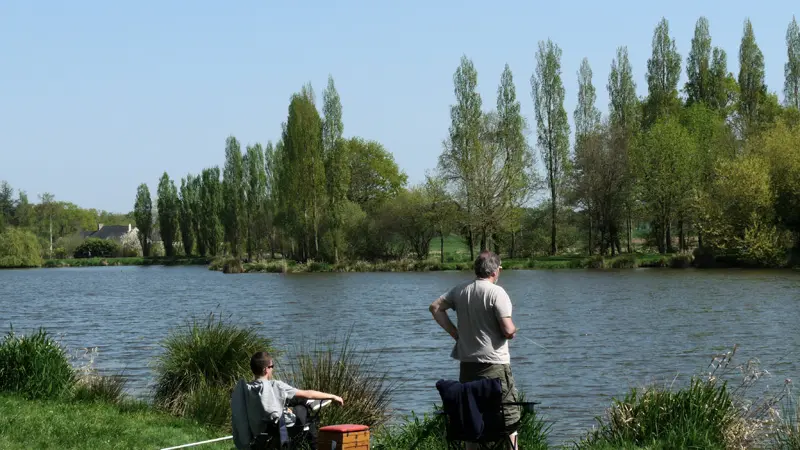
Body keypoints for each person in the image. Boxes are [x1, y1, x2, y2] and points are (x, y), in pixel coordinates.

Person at [429, 250, 521, 449]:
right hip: (495, 367)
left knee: (471, 416)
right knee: (508, 418)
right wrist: (513, 330)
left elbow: (435, 307)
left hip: (468, 367)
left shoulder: (460, 290)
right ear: (497, 270)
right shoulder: (497, 292)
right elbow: (507, 330)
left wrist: (456, 334)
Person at [231, 351, 344, 450]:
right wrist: (333, 396)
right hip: (280, 426)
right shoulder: (276, 385)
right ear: (266, 370)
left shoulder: (246, 389)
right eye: (272, 366)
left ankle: (306, 405)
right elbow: (307, 393)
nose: (273, 369)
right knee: (306, 413)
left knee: (293, 400)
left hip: (260, 427)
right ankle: (315, 445)